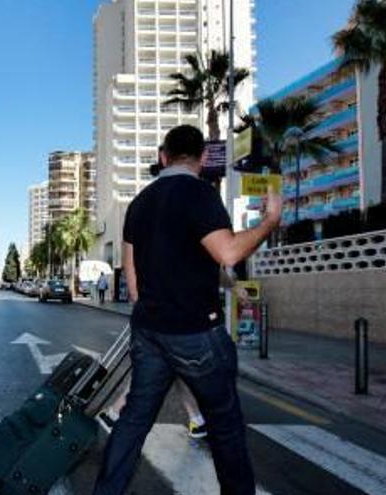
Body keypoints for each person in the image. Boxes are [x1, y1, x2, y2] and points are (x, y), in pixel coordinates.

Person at [92, 125, 282, 495]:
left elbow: (132, 283)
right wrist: (270, 220)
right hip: (196, 332)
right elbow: (228, 253)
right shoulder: (200, 194)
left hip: (148, 330)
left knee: (133, 420)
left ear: (163, 157)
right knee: (225, 426)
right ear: (203, 157)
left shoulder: (139, 204)